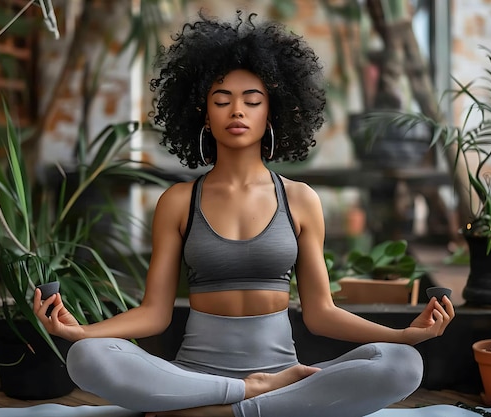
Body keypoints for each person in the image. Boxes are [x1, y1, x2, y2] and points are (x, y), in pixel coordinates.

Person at [33, 10, 455, 417]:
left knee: (402, 363)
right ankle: (246, 398)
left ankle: (211, 412)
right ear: (202, 112)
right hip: (191, 377)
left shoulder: (300, 199)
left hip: (286, 375)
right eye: (222, 100)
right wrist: (82, 332)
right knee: (88, 356)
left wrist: (403, 334)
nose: (237, 111)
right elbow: (155, 314)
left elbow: (320, 312)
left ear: (271, 110)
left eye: (252, 101)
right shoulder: (179, 201)